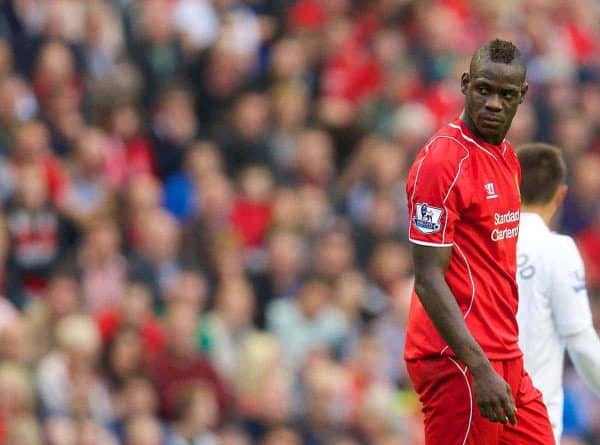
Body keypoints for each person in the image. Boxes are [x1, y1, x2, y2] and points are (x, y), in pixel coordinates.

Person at [404, 39, 554, 444]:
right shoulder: (441, 163)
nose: (493, 103)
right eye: (484, 89)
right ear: (465, 84)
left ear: (522, 96)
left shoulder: (506, 157)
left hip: (503, 353)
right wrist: (480, 367)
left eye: (506, 95)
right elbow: (428, 279)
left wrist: (499, 360)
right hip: (458, 360)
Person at [516, 143, 600, 443]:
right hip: (530, 420)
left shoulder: (478, 247)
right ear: (561, 194)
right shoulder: (556, 250)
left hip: (473, 416)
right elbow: (580, 339)